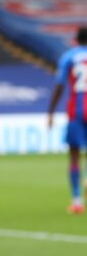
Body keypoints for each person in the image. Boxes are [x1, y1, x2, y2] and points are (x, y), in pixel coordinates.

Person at [48, 26, 87, 214]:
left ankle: (77, 201)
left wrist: (50, 112)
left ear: (76, 40)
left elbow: (60, 85)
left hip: (76, 112)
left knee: (74, 156)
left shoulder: (69, 57)